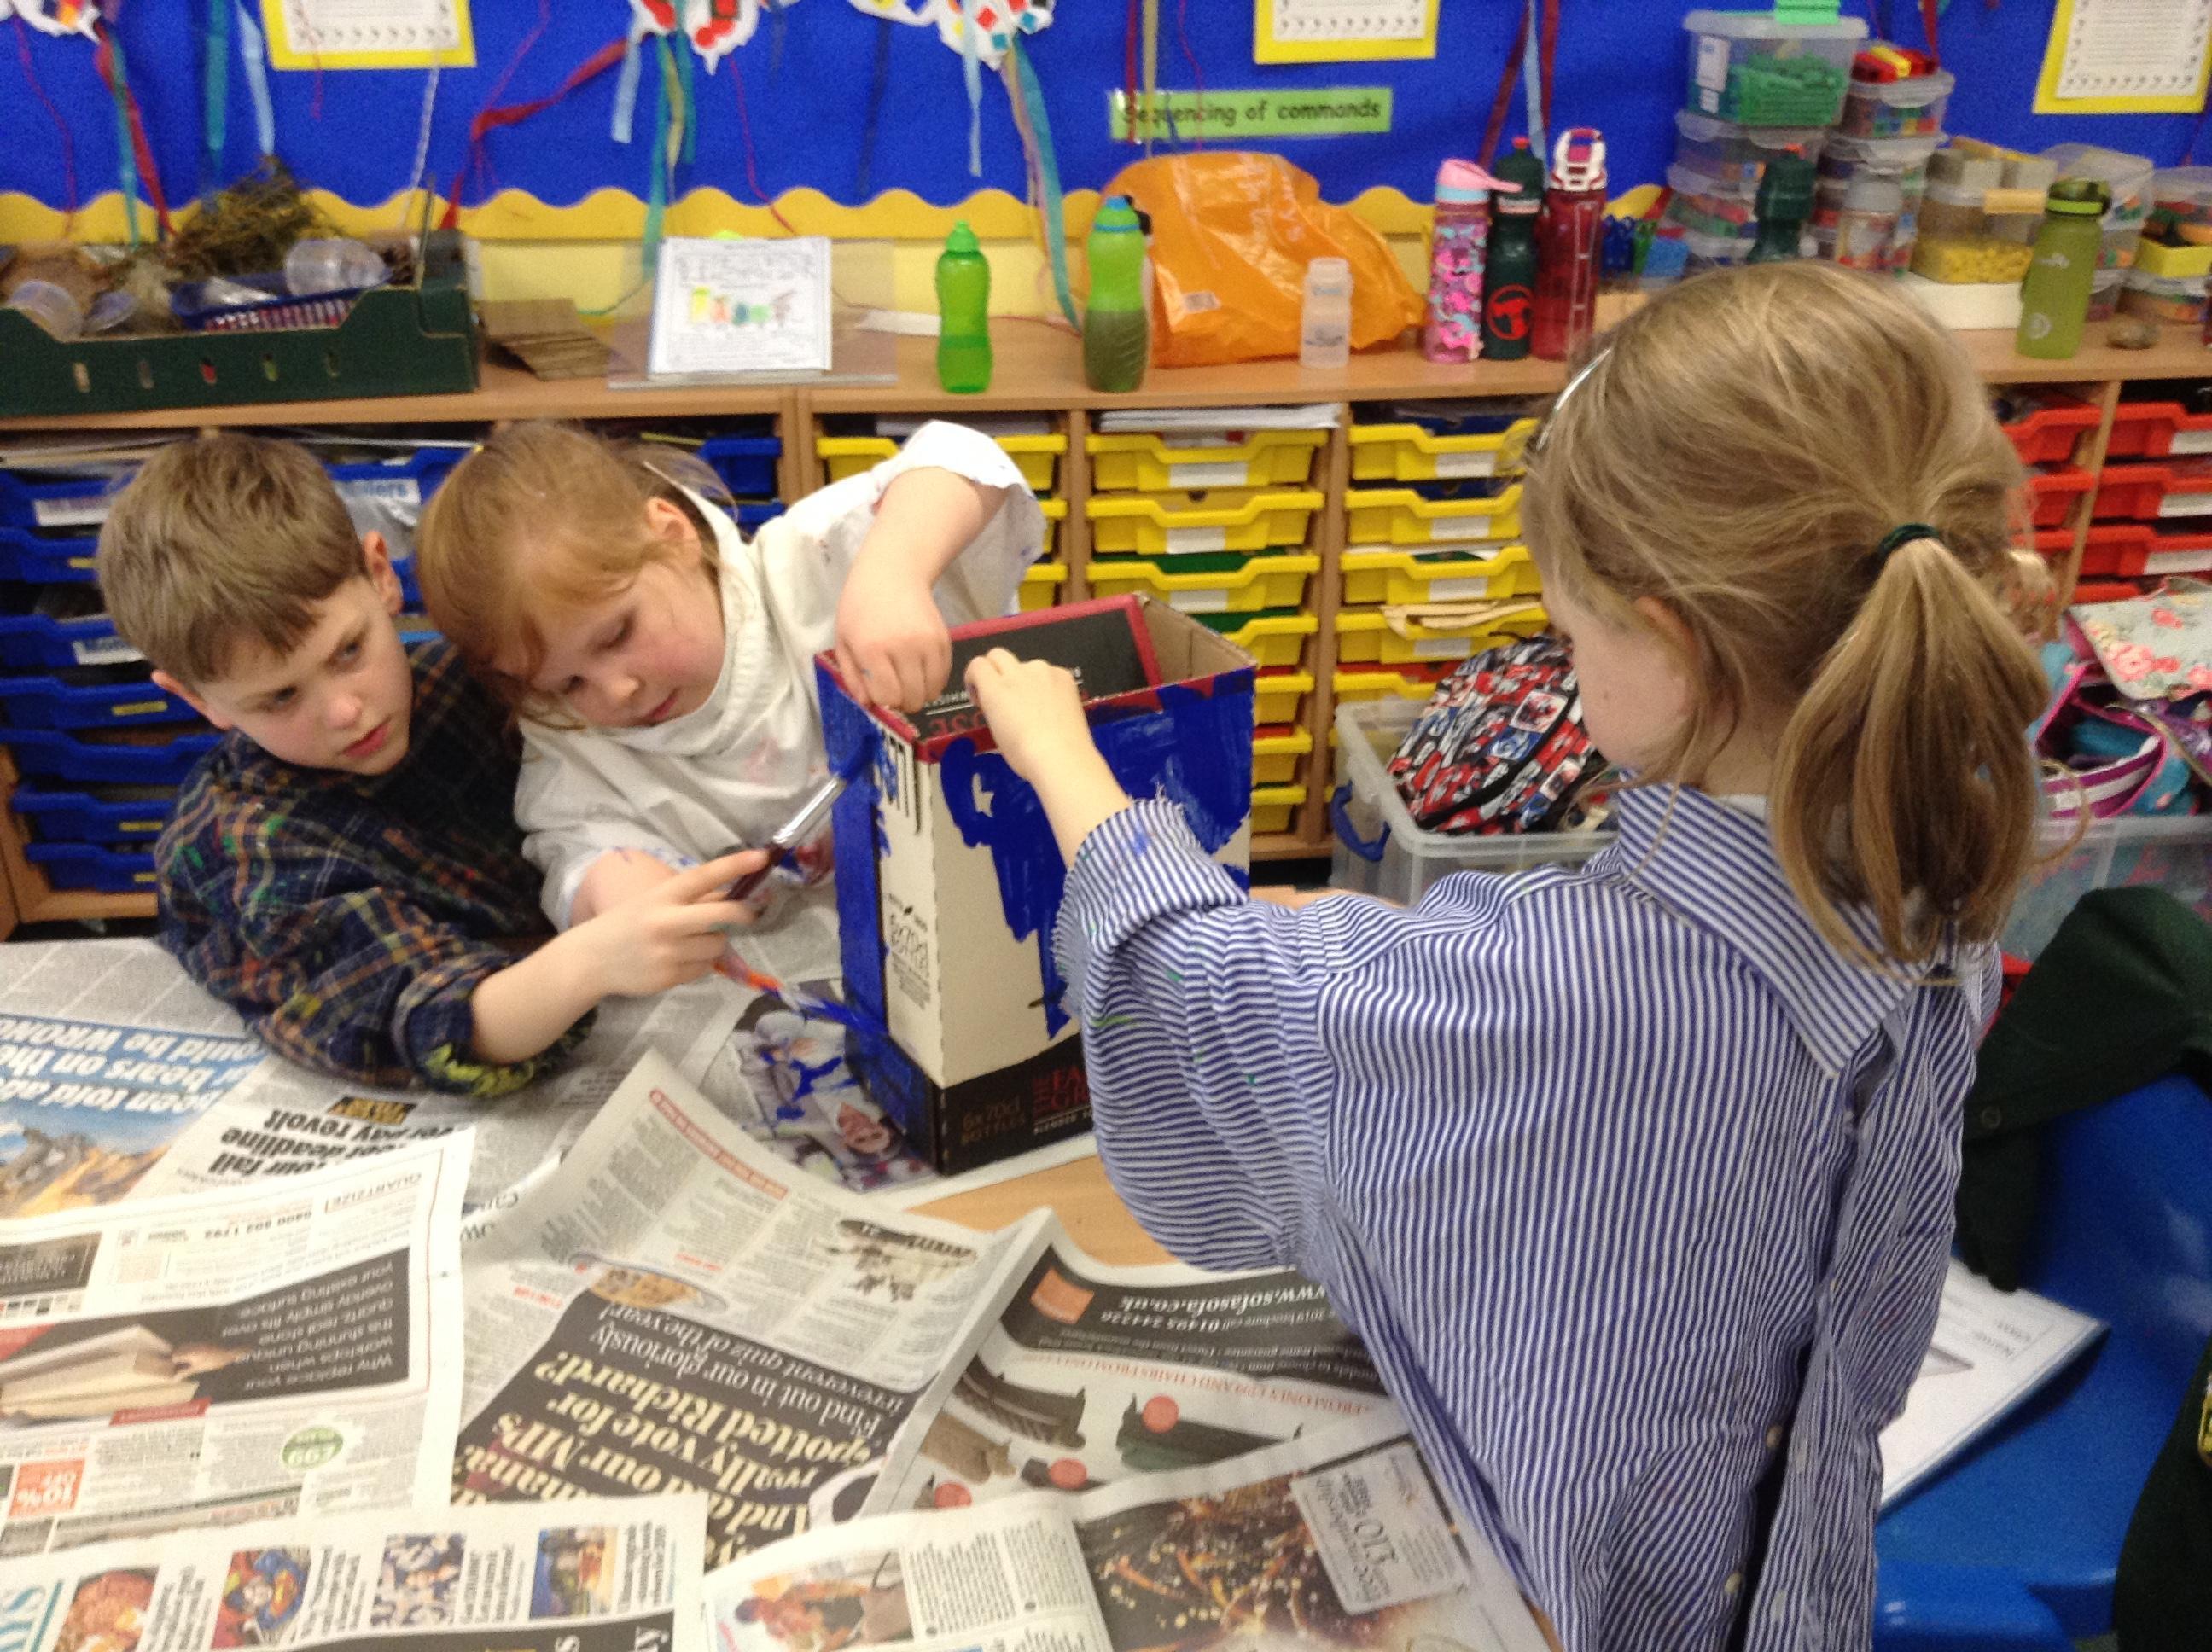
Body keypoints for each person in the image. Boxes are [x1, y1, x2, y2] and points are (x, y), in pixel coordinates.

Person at [960, 262, 2051, 1651]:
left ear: (1671, 642)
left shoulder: (1582, 991)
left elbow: (1207, 997)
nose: (1561, 660)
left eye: (1568, 629)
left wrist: (1064, 765)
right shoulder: (1936, 879)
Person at [98, 435, 763, 1095]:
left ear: (381, 576)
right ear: (195, 700)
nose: (345, 711)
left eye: (348, 651)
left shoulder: (480, 685)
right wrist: (591, 960)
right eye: (280, 697)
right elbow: (424, 1019)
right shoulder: (246, 850)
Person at [415, 421, 1039, 951]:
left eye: (617, 634)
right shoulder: (576, 736)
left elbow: (964, 458)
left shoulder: (809, 561)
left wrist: (893, 572)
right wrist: (614, 889)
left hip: (1000, 896)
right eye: (568, 681)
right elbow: (572, 844)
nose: (616, 691)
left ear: (673, 536)